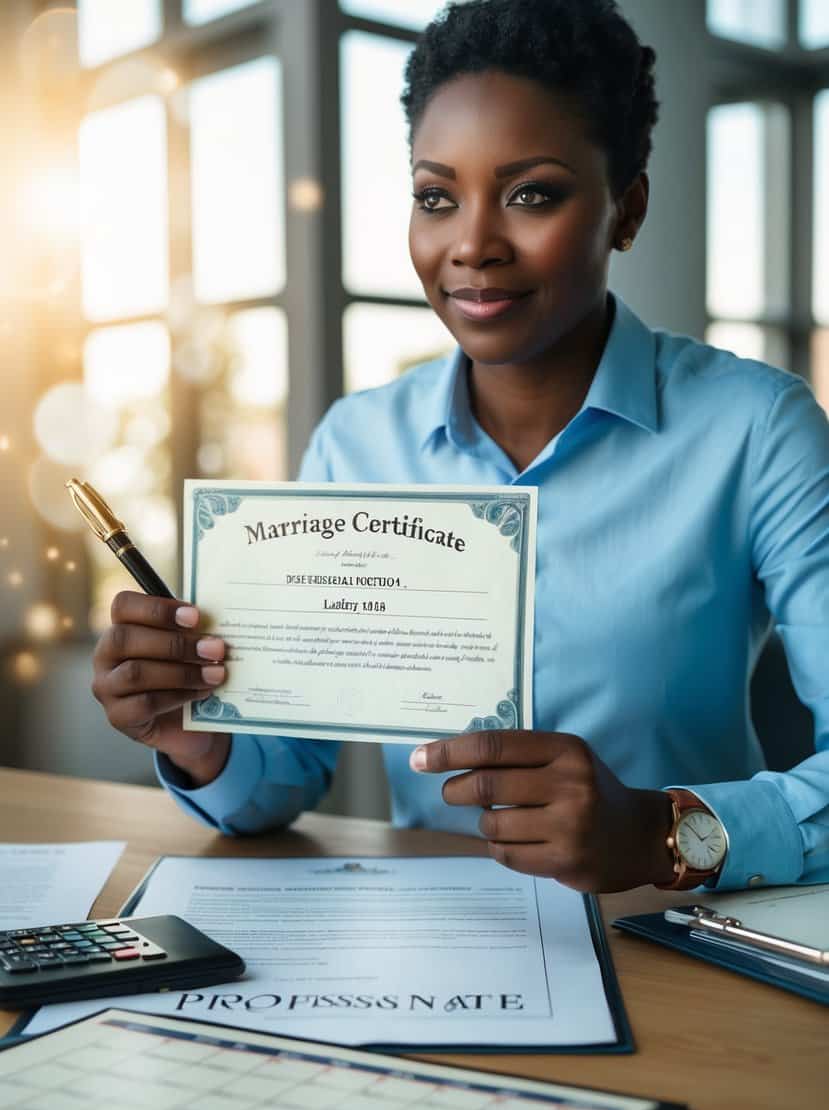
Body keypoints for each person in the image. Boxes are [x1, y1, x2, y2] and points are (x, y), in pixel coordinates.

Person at [90, 0, 829, 894]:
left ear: (624, 210)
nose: (472, 244)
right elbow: (281, 782)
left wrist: (661, 832)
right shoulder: (356, 443)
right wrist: (194, 732)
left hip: (675, 951)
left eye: (531, 195)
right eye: (436, 197)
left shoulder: (756, 429)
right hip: (429, 954)